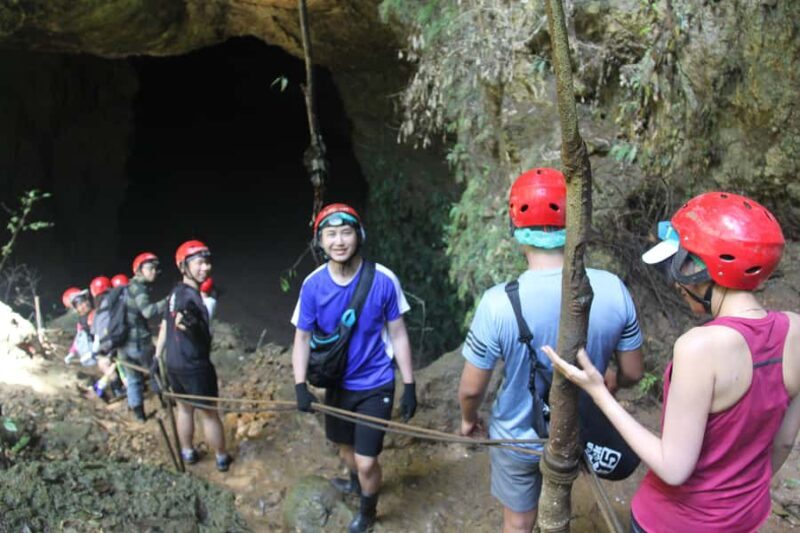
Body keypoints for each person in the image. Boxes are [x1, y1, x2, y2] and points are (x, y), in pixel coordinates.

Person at [544, 191, 800, 532]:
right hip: (746, 516)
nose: (677, 282)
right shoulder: (794, 329)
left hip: (675, 522)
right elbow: (783, 442)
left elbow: (673, 467)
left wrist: (598, 392)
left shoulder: (699, 348)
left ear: (709, 268)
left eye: (683, 264)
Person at [457, 168, 643, 533]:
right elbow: (634, 372)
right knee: (559, 504)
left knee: (519, 521)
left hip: (517, 438)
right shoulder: (612, 289)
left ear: (515, 226)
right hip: (578, 434)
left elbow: (471, 389)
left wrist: (469, 419)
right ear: (575, 224)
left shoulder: (497, 304)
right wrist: (611, 380)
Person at [291, 203, 417, 533]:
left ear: (359, 235)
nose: (339, 241)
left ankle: (367, 511)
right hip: (336, 383)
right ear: (320, 241)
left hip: (376, 383)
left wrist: (409, 384)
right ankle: (354, 481)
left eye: (346, 233)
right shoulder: (313, 286)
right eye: (331, 234)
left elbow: (398, 333)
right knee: (346, 450)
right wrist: (300, 385)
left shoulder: (383, 280)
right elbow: (302, 338)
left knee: (366, 460)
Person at [155, 240, 233, 472]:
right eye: (199, 263)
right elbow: (184, 321)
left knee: (184, 408)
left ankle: (187, 452)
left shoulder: (174, 292)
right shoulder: (190, 298)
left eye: (207, 262)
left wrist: (157, 357)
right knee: (209, 414)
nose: (205, 267)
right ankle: (221, 457)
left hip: (174, 363)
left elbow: (165, 325)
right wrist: (191, 323)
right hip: (194, 366)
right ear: (183, 266)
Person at [122, 252, 167, 422]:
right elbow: (148, 312)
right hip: (139, 342)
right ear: (139, 270)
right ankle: (164, 402)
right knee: (154, 370)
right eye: (149, 268)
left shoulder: (127, 287)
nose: (154, 271)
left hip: (123, 343)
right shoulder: (139, 288)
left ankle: (139, 414)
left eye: (155, 268)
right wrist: (168, 301)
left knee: (133, 378)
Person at [62, 287, 93, 364]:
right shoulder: (81, 321)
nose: (83, 306)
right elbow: (79, 337)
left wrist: (94, 351)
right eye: (78, 305)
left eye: (83, 302)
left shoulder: (95, 315)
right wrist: (72, 353)